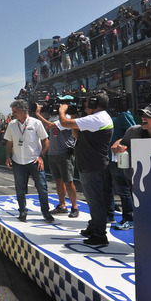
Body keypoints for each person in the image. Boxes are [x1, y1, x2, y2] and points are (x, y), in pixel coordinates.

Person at [57, 91, 114, 246]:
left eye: (88, 102)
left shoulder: (97, 118)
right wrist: (74, 116)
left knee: (96, 202)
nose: (85, 105)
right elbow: (77, 135)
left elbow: (65, 124)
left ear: (96, 104)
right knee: (92, 201)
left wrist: (62, 112)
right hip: (90, 164)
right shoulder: (96, 119)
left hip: (93, 166)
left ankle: (99, 235)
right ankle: (94, 226)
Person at [4, 100, 54, 223]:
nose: (13, 114)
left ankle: (46, 212)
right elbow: (9, 143)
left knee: (42, 187)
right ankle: (22, 211)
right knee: (20, 189)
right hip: (18, 162)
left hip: (34, 161)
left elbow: (46, 141)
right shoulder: (11, 125)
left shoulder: (36, 123)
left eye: (15, 112)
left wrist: (41, 156)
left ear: (23, 111)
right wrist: (8, 157)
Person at [35, 103, 79, 218]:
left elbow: (49, 126)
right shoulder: (53, 118)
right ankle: (62, 205)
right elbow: (47, 126)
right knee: (58, 181)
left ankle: (74, 207)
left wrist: (38, 114)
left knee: (68, 181)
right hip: (53, 153)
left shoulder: (67, 119)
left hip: (64, 153)